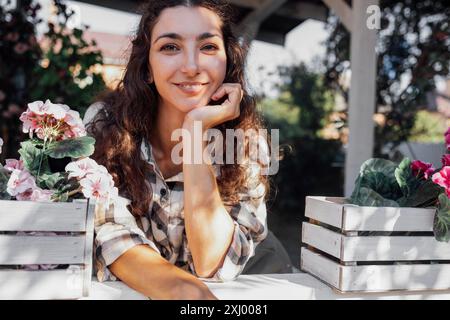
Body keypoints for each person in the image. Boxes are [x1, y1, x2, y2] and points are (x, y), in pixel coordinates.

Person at [84, 0, 292, 300]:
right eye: (170, 47)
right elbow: (113, 240)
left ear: (228, 63)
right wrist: (191, 297)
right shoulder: (105, 127)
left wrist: (195, 133)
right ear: (147, 69)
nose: (192, 66)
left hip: (250, 286)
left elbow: (212, 262)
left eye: (208, 47)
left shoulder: (247, 142)